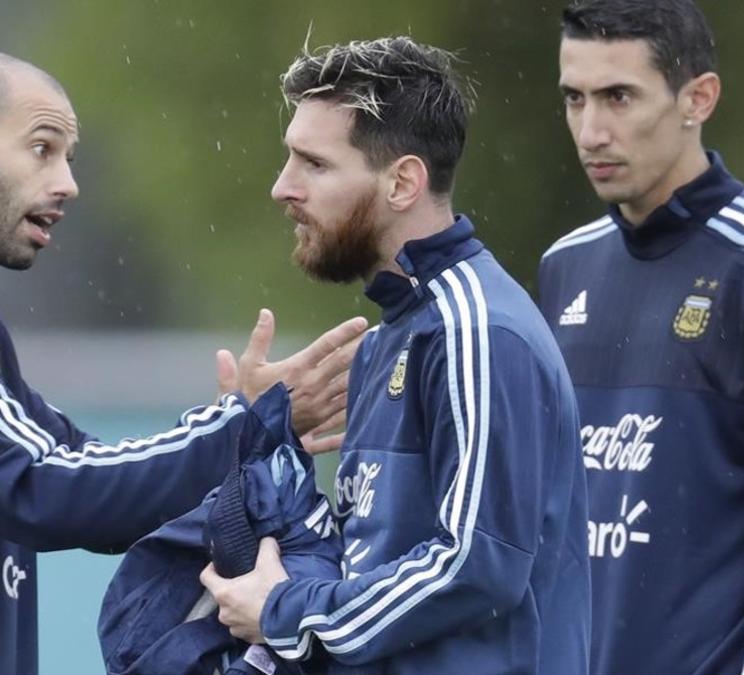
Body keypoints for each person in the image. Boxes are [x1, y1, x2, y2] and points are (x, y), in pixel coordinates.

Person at [0, 50, 366, 675]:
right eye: (42, 148)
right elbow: (44, 487)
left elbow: (87, 481)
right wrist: (241, 424)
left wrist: (238, 428)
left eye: (68, 159)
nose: (67, 184)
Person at [201, 36, 591, 673]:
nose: (282, 188)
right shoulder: (393, 335)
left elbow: (475, 564)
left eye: (314, 164)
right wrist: (259, 443)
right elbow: (371, 565)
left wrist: (285, 612)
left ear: (403, 182)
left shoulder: (476, 330)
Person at [536, 2, 744, 673]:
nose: (591, 130)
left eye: (619, 97)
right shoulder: (564, 266)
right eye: (575, 99)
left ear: (697, 98)